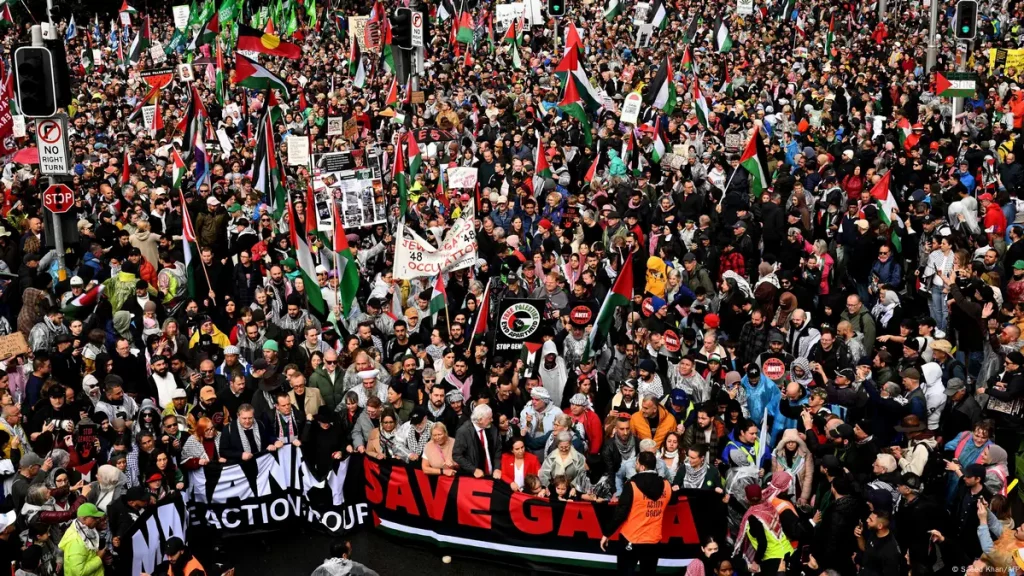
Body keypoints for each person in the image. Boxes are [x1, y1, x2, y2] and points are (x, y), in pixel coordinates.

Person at [600, 452, 672, 575]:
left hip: (631, 538)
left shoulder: (631, 485)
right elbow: (673, 499)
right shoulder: (666, 485)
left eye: (637, 463)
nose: (635, 465)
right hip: (653, 540)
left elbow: (620, 513)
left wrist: (607, 533)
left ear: (642, 467)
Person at [58, 504, 109, 576]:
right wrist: (99, 558)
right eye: (94, 518)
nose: (97, 520)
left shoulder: (86, 530)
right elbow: (79, 572)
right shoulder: (76, 542)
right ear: (84, 519)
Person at [452, 405, 501, 480]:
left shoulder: (492, 428)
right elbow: (457, 455)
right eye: (489, 418)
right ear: (480, 420)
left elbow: (497, 449)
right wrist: (473, 469)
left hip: (493, 475)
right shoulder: (463, 432)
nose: (492, 420)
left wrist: (497, 468)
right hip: (474, 477)